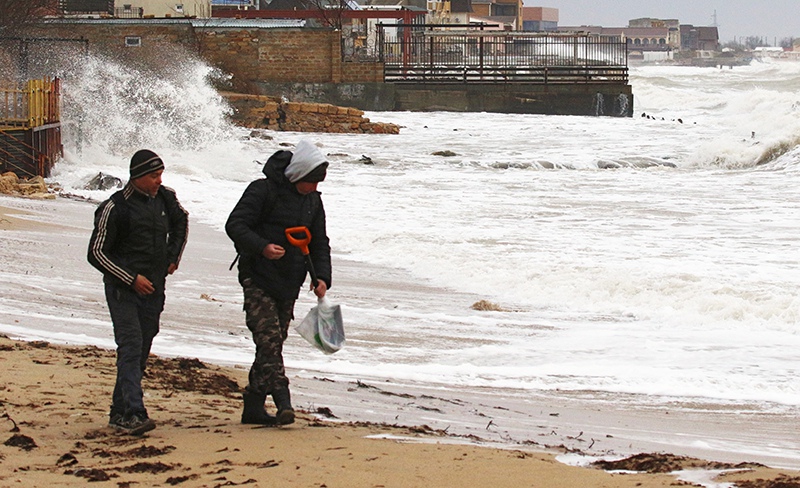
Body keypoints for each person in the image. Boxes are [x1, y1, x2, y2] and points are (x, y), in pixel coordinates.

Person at [226, 139, 331, 426]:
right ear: (298, 175)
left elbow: (320, 241)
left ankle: (253, 407)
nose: (315, 188)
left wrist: (322, 277)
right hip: (257, 276)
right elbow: (235, 225)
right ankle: (284, 401)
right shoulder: (262, 190)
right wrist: (263, 247)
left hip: (290, 280)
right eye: (311, 182)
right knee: (269, 341)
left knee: (272, 345)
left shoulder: (313, 201)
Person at [87, 149, 189, 435]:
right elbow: (96, 253)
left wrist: (173, 257)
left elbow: (182, 221)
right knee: (130, 347)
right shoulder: (114, 207)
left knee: (142, 349)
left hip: (155, 289)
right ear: (138, 177)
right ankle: (134, 412)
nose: (159, 181)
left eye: (161, 175)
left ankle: (118, 411)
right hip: (123, 291)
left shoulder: (166, 198)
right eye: (154, 176)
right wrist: (131, 279)